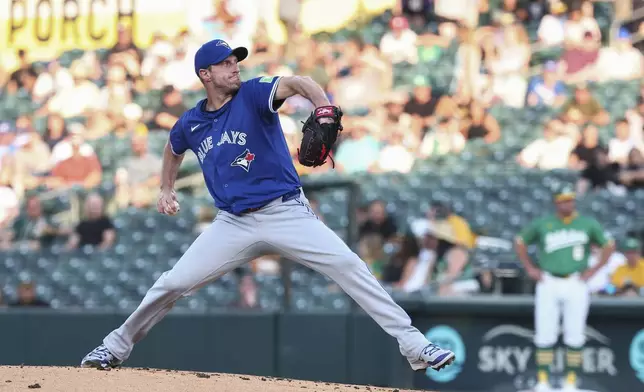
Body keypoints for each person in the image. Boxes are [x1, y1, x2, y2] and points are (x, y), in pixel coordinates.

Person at [80, 39, 455, 373]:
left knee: (348, 265)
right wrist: (166, 187)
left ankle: (414, 345)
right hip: (232, 224)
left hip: (285, 212)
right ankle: (113, 347)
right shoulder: (191, 122)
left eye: (235, 61)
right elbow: (173, 148)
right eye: (226, 63)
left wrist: (323, 105)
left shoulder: (254, 93)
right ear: (205, 74)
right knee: (173, 283)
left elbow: (297, 83)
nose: (235, 67)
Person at [514, 187, 615, 392]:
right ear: (556, 203)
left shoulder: (586, 224)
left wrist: (594, 269)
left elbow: (609, 245)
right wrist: (530, 267)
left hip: (576, 281)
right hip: (549, 280)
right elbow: (520, 241)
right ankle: (543, 382)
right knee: (544, 333)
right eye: (563, 201)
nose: (567, 204)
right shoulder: (545, 223)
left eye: (570, 200)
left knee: (575, 333)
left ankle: (571, 382)